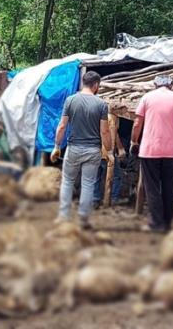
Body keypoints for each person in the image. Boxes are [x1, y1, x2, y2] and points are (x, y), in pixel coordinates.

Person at [51, 71, 113, 229]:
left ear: (83, 83)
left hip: (73, 149)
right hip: (93, 151)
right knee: (88, 184)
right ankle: (84, 219)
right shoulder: (101, 104)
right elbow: (104, 131)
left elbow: (62, 126)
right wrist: (110, 151)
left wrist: (56, 147)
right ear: (96, 85)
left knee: (67, 182)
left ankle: (64, 216)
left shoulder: (70, 100)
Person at [131, 75, 173, 232]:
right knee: (169, 187)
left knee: (152, 188)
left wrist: (134, 141)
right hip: (171, 150)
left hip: (150, 149)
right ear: (171, 85)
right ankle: (167, 222)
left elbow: (137, 123)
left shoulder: (147, 98)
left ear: (154, 85)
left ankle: (157, 223)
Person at [92, 113, 126, 208]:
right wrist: (120, 148)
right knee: (117, 176)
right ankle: (113, 198)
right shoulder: (111, 117)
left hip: (94, 151)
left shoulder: (95, 115)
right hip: (106, 152)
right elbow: (113, 133)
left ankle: (95, 199)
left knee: (96, 176)